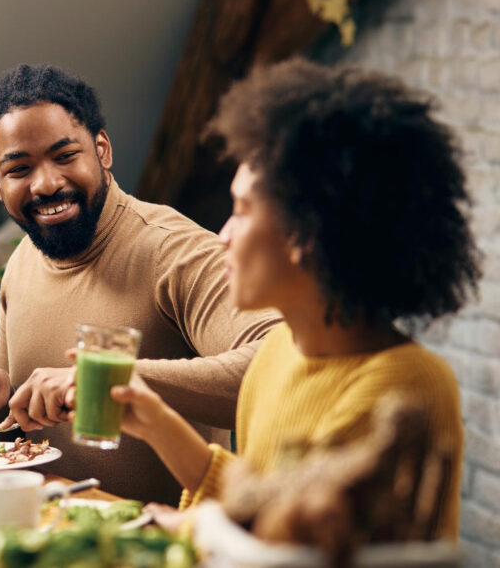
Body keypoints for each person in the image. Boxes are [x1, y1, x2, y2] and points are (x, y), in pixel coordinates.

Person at [83, 58, 479, 539]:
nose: (224, 235)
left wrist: (190, 527)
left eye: (243, 210)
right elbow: (264, 497)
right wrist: (160, 427)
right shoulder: (277, 352)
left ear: (305, 233)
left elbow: (292, 542)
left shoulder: (404, 388)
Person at [0, 64, 281, 503]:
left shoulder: (174, 251)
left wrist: (106, 380)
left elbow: (277, 363)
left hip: (161, 546)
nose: (46, 183)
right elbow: (19, 402)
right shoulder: (23, 260)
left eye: (65, 156)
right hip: (43, 539)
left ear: (102, 150)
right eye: (19, 169)